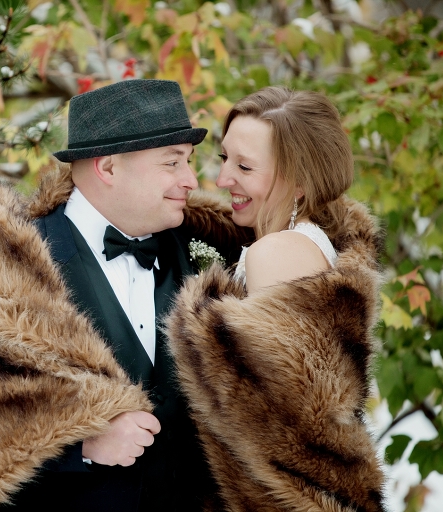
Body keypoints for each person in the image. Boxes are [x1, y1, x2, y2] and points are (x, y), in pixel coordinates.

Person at [0, 79, 251, 512]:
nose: (191, 179)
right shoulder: (1, 271)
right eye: (172, 162)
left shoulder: (212, 253)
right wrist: (81, 446)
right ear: (107, 168)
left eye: (189, 162)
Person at [165, 86, 388, 512]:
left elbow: (285, 432)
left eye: (245, 166)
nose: (222, 179)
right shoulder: (297, 244)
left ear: (300, 181)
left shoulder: (277, 253)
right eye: (223, 158)